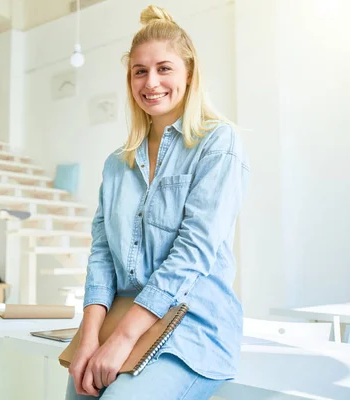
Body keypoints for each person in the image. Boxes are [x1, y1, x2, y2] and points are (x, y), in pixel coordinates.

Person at [66, 5, 249, 400]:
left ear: (189, 72)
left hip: (192, 328)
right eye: (139, 71)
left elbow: (194, 250)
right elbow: (101, 256)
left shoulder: (219, 143)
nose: (151, 82)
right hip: (119, 324)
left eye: (164, 68)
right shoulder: (117, 163)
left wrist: (120, 340)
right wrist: (88, 337)